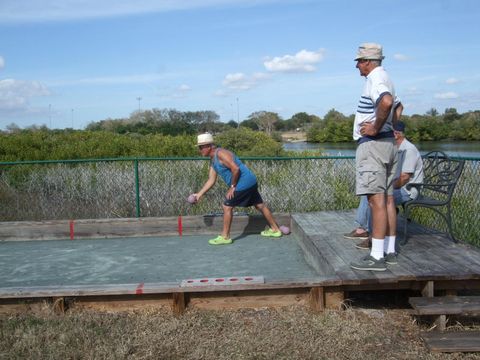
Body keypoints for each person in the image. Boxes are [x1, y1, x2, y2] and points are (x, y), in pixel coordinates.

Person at [349, 43, 400, 272]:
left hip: (374, 146)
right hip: (388, 145)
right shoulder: (387, 76)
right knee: (388, 200)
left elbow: (387, 102)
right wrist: (390, 126)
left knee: (375, 200)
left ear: (368, 61)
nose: (357, 65)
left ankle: (376, 256)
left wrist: (375, 128)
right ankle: (389, 250)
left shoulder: (375, 79)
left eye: (359, 61)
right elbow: (398, 107)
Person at [193, 133, 282, 245]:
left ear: (209, 146)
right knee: (260, 205)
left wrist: (232, 186)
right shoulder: (213, 160)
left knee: (227, 206)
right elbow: (211, 180)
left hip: (243, 183)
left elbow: (236, 169)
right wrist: (199, 194)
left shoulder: (221, 154)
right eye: (199, 147)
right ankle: (276, 229)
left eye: (201, 147)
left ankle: (225, 237)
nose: (200, 150)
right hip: (250, 181)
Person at [353, 120, 425, 251]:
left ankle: (371, 236)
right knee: (371, 195)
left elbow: (404, 178)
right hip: (396, 187)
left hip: (408, 190)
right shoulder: (395, 148)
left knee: (377, 199)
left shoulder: (409, 149)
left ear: (396, 134)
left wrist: (386, 187)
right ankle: (364, 229)